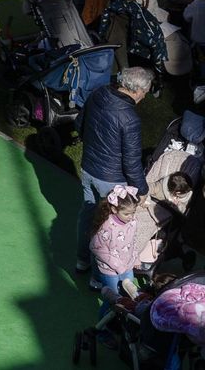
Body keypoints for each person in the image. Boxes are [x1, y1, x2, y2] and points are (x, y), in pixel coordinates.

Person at [75, 67, 153, 272]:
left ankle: (82, 261)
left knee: (87, 215)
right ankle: (96, 274)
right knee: (106, 227)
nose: (145, 96)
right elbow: (132, 161)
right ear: (136, 90)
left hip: (88, 168)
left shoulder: (98, 93)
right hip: (110, 180)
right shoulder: (130, 118)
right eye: (145, 92)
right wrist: (142, 189)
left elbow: (79, 124)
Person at [91, 190, 145, 305]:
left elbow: (132, 240)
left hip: (128, 265)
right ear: (114, 210)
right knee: (113, 299)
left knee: (129, 293)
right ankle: (105, 320)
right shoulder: (107, 226)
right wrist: (118, 266)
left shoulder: (132, 221)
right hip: (110, 270)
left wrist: (135, 257)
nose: (131, 217)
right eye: (127, 214)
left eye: (133, 212)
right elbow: (96, 248)